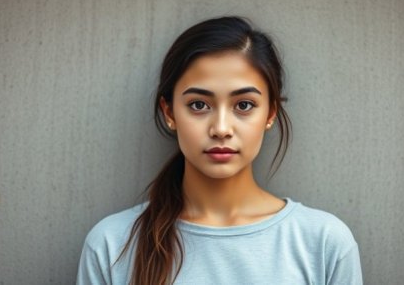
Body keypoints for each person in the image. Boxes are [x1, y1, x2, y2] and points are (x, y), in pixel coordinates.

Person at [76, 16, 362, 285]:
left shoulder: (324, 243)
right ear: (169, 112)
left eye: (244, 105)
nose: (221, 128)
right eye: (199, 105)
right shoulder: (112, 244)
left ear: (271, 113)